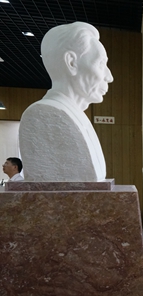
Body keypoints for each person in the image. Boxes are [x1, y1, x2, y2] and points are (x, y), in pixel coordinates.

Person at [19, 22, 113, 182]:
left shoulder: (76, 115)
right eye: (101, 64)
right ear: (71, 63)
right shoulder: (43, 115)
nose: (109, 77)